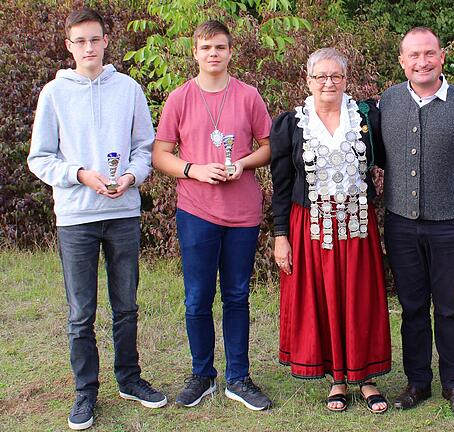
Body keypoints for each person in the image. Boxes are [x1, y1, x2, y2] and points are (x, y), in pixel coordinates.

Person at [27, 8, 166, 430]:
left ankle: (130, 378)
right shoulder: (54, 93)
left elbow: (146, 147)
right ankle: (86, 391)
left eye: (95, 39)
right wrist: (79, 175)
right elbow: (40, 158)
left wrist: (130, 175)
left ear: (107, 41)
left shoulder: (128, 89)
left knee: (126, 306)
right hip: (75, 218)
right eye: (80, 41)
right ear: (69, 46)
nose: (89, 47)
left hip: (122, 213)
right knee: (80, 313)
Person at [379, 27, 454, 416]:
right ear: (402, 61)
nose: (422, 62)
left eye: (429, 53)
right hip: (401, 222)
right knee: (412, 306)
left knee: (448, 306)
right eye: (413, 55)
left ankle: (453, 383)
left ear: (442, 57)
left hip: (452, 225)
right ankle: (417, 382)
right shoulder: (388, 101)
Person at [153, 20, 272, 411]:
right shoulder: (180, 98)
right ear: (195, 52)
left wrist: (242, 164)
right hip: (197, 211)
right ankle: (202, 374)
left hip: (242, 213)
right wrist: (194, 170)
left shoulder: (249, 95)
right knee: (197, 298)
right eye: (206, 48)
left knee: (237, 296)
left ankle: (238, 378)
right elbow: (160, 155)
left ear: (230, 51)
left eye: (220, 47)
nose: (213, 54)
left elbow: (269, 146)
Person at [270, 47, 391, 414]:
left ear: (345, 79)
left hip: (357, 221)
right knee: (322, 298)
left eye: (335, 76)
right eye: (320, 76)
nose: (328, 83)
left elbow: (389, 159)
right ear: (307, 80)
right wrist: (280, 235)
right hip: (310, 223)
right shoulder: (291, 123)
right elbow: (281, 183)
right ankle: (337, 379)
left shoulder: (367, 118)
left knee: (360, 295)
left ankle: (365, 377)